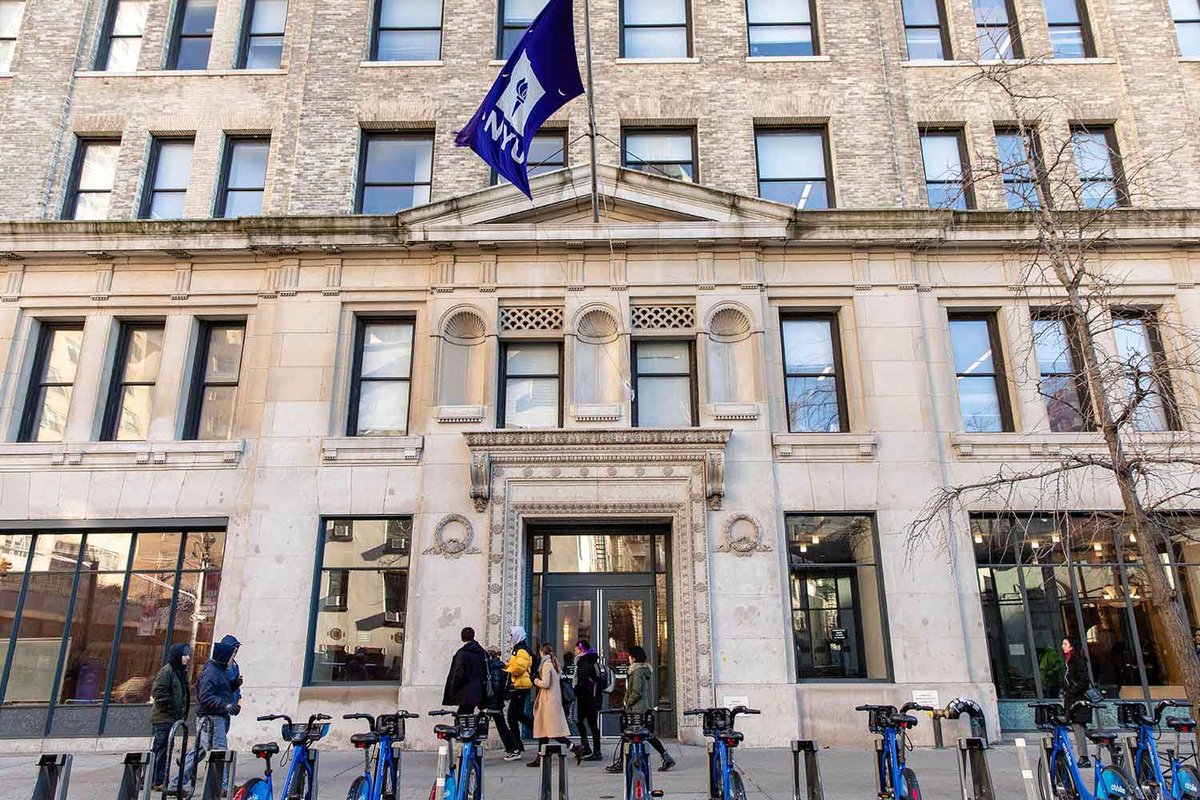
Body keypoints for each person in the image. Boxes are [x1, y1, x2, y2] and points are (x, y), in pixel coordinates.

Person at [606, 646, 675, 773]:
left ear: (634, 657)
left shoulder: (637, 671)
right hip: (642, 708)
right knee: (648, 735)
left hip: (637, 709)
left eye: (629, 656)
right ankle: (666, 757)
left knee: (627, 735)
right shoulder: (641, 670)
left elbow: (636, 692)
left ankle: (621, 763)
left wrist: (627, 702)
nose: (628, 658)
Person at [186, 636, 241, 792]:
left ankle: (175, 783)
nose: (234, 657)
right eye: (232, 654)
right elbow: (205, 696)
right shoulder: (211, 672)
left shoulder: (222, 669)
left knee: (200, 752)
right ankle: (223, 786)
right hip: (211, 718)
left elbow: (221, 690)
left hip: (219, 715)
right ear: (224, 656)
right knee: (219, 752)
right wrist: (226, 705)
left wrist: (234, 685)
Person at [529, 642, 583, 767]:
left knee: (553, 733)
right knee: (544, 732)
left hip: (549, 703)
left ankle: (574, 748)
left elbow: (546, 683)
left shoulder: (547, 664)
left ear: (542, 652)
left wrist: (535, 680)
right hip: (550, 702)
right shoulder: (553, 663)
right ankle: (540, 757)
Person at [149, 643, 191, 790]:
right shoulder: (166, 672)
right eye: (185, 654)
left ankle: (155, 778)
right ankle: (156, 780)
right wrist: (172, 707)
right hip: (163, 718)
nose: (188, 657)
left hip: (172, 718)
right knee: (161, 748)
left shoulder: (180, 672)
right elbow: (159, 693)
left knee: (165, 748)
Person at [1061, 637, 1094, 768]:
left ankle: (1084, 757)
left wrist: (1072, 691)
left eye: (1065, 644)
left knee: (1078, 727)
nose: (1063, 646)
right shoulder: (1069, 661)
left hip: (1078, 700)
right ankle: (1104, 743)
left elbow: (1084, 680)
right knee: (1080, 728)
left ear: (1072, 646)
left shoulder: (1077, 661)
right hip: (1072, 699)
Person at [504, 626, 535, 758]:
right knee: (518, 715)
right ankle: (535, 732)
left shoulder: (521, 650)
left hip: (521, 686)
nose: (510, 638)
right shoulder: (518, 649)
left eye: (511, 635)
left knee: (512, 716)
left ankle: (517, 744)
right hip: (520, 686)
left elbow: (518, 668)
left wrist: (505, 669)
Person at [486, 648, 522, 760]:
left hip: (493, 702)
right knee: (501, 726)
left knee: (498, 727)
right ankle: (514, 748)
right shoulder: (501, 667)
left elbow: (494, 687)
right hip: (497, 702)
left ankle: (514, 749)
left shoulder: (492, 668)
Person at [443, 626, 488, 714]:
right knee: (468, 716)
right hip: (479, 691)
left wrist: (453, 688)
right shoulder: (482, 652)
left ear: (462, 637)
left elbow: (458, 674)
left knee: (462, 718)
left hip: (466, 692)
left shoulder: (462, 653)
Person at [573, 640, 604, 761]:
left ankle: (594, 750)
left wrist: (575, 690)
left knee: (585, 722)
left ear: (581, 650)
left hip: (587, 698)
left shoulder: (584, 662)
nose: (575, 653)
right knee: (585, 722)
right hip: (592, 697)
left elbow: (582, 680)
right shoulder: (590, 660)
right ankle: (589, 748)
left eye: (576, 650)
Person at [219, 635, 242, 726]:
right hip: (220, 709)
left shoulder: (235, 665)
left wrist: (238, 703)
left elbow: (237, 689)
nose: (235, 652)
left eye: (236, 650)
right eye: (234, 649)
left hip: (228, 709)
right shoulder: (219, 666)